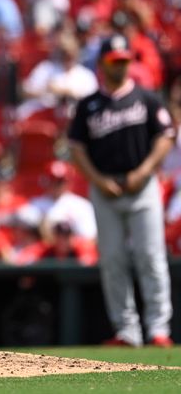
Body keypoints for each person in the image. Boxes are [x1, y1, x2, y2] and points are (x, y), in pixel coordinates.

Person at [68, 34, 175, 348]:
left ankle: (159, 330)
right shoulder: (88, 106)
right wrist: (99, 181)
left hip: (142, 188)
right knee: (113, 260)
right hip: (106, 190)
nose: (121, 65)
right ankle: (127, 331)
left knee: (151, 258)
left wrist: (144, 171)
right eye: (115, 60)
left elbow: (166, 135)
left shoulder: (146, 97)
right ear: (102, 63)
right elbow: (76, 148)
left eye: (125, 59)